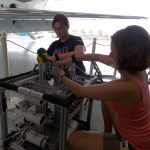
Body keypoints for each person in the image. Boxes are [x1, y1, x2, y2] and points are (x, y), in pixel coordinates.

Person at [54, 25, 150, 150]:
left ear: (125, 56)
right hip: (135, 131)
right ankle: (107, 134)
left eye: (113, 52)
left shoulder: (128, 86)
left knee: (74, 139)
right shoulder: (137, 69)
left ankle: (112, 144)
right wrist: (71, 59)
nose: (110, 55)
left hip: (134, 146)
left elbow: (80, 91)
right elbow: (98, 56)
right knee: (107, 100)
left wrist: (61, 76)